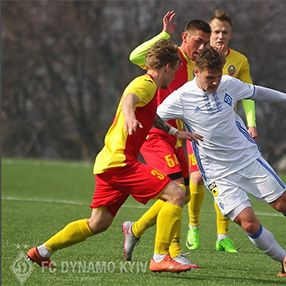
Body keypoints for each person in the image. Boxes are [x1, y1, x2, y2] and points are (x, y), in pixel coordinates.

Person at [26, 39, 203, 273]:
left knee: (97, 223)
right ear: (168, 67)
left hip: (107, 163)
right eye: (176, 70)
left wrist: (174, 131)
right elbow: (130, 97)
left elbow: (151, 115)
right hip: (122, 163)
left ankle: (41, 251)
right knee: (177, 194)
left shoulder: (148, 88)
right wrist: (129, 115)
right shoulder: (146, 83)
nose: (173, 79)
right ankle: (160, 257)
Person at [157, 45, 286, 277]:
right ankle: (285, 260)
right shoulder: (182, 97)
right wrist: (175, 133)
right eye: (209, 78)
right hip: (217, 172)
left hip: (247, 159)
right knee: (248, 223)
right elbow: (153, 116)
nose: (214, 82)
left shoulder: (229, 84)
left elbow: (256, 92)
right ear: (196, 71)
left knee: (283, 204)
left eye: (217, 77)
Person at [121, 10, 210, 265]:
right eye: (198, 41)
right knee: (177, 191)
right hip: (154, 135)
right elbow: (135, 56)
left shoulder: (194, 67)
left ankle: (135, 229)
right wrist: (163, 35)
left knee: (185, 195)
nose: (201, 47)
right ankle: (169, 253)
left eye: (206, 42)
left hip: (175, 136)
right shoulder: (167, 56)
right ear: (185, 37)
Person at [186, 9, 258, 252]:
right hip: (196, 130)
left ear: (231, 34)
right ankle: (193, 227)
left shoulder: (239, 61)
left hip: (226, 133)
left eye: (224, 32)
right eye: (216, 31)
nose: (220, 36)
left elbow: (249, 94)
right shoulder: (197, 57)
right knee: (196, 178)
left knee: (225, 181)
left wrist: (251, 123)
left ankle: (222, 236)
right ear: (209, 32)